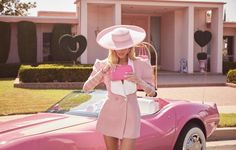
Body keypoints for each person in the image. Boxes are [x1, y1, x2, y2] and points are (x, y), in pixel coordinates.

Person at [83, 25, 157, 150]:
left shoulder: (140, 64)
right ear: (112, 47)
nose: (121, 50)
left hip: (131, 116)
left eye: (124, 47)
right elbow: (86, 88)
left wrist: (139, 81)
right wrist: (102, 71)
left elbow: (153, 93)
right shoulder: (102, 64)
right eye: (117, 47)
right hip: (109, 115)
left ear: (130, 47)